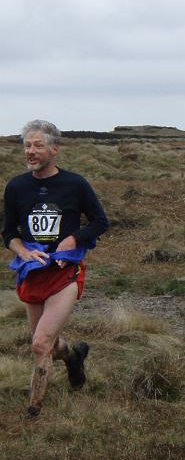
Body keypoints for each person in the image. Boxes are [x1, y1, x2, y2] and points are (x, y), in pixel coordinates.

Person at [3, 120, 109, 416]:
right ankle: (73, 357)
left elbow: (101, 222)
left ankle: (33, 410)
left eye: (38, 145)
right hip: (31, 273)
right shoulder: (16, 187)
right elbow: (8, 233)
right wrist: (22, 251)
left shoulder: (75, 184)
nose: (31, 151)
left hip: (65, 273)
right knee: (47, 343)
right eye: (27, 145)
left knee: (39, 344)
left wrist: (73, 239)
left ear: (54, 149)